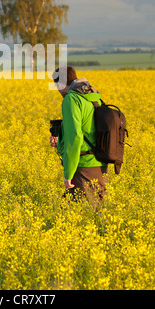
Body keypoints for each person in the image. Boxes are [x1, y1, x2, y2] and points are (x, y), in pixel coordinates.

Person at [50, 66, 108, 205]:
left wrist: (68, 174)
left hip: (83, 167)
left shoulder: (71, 99)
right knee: (95, 214)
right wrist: (59, 139)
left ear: (61, 83)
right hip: (99, 164)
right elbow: (88, 128)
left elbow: (74, 137)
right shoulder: (93, 96)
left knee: (81, 214)